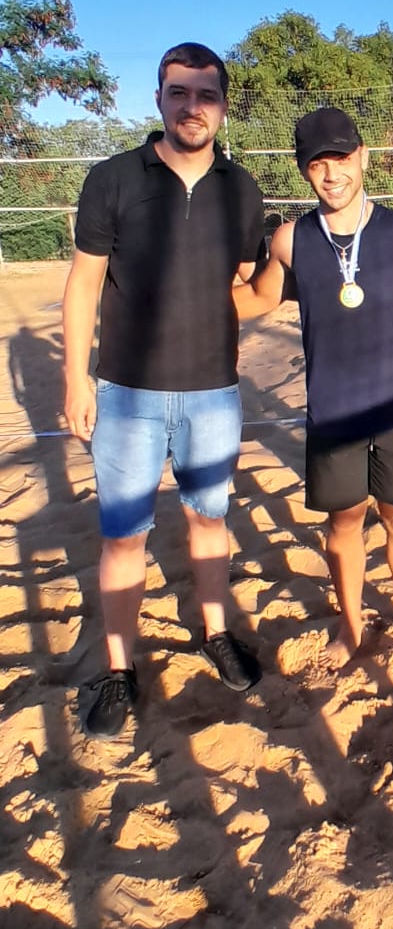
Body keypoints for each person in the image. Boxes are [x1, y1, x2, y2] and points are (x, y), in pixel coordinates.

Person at [63, 42, 266, 739]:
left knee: (209, 521)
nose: (192, 106)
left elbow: (246, 285)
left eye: (206, 95)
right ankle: (119, 669)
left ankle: (216, 632)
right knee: (125, 536)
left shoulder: (242, 190)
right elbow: (84, 285)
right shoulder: (113, 179)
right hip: (127, 394)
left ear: (223, 106)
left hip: (213, 392)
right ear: (158, 99)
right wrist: (76, 380)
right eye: (179, 92)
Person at [234, 106, 393, 669]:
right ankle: (350, 627)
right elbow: (259, 298)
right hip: (332, 411)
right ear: (303, 169)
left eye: (342, 159)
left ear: (363, 157)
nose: (332, 174)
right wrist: (193, 305)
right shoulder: (291, 239)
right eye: (317, 164)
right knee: (344, 521)